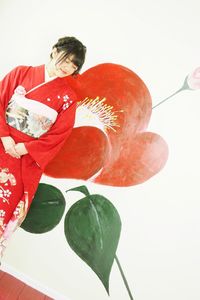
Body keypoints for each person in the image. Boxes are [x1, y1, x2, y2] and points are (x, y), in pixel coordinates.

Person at [0, 36, 86, 261]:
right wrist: (5, 136)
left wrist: (26, 148)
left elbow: (59, 135)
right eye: (66, 59)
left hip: (23, 160)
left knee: (4, 207)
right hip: (1, 142)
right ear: (54, 50)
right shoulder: (21, 73)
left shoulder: (68, 98)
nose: (67, 67)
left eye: (73, 65)